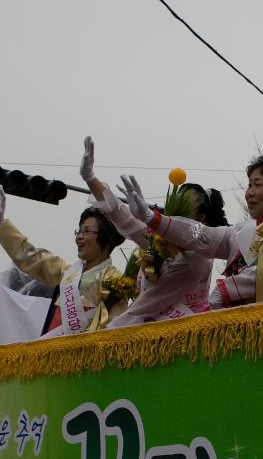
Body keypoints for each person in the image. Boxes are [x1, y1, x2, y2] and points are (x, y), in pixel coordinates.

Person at [115, 157, 263, 307]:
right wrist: (152, 218)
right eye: (249, 185)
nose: (249, 193)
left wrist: (227, 290)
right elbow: (199, 236)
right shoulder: (239, 232)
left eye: (257, 184)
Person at [79, 137, 228, 326]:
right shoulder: (161, 243)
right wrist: (90, 177)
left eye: (186, 208)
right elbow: (123, 216)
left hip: (183, 338)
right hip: (149, 332)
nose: (177, 217)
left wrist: (104, 337)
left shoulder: (197, 258)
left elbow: (145, 307)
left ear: (200, 219)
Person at [0, 187, 127, 336]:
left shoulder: (115, 281)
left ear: (105, 238)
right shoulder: (68, 274)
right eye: (79, 231)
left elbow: (117, 327)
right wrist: (1, 224)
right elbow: (31, 258)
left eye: (86, 231)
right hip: (53, 351)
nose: (79, 237)